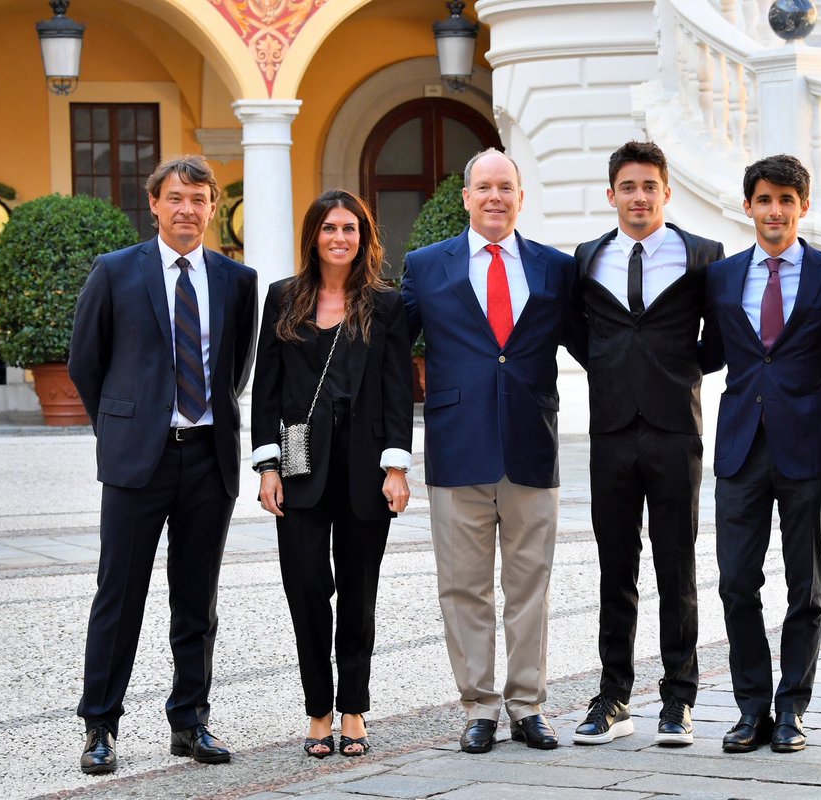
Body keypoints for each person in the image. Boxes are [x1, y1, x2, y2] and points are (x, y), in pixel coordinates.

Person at [69, 155, 258, 774]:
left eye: (199, 199)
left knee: (196, 599)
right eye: (176, 198)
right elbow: (84, 363)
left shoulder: (237, 280)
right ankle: (100, 726)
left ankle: (190, 721)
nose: (187, 209)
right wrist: (124, 426)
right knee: (118, 595)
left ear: (211, 207)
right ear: (154, 203)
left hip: (208, 458)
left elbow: (235, 370)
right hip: (136, 465)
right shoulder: (116, 271)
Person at [400, 148, 584, 754]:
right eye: (484, 187)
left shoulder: (556, 269)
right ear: (467, 197)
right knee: (463, 586)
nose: (495, 197)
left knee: (531, 584)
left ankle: (527, 705)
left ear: (520, 196)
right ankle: (478, 706)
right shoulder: (426, 266)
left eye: (506, 186)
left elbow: (596, 349)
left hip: (532, 445)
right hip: (458, 448)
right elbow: (389, 359)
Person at [251, 190, 413, 758]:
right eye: (329, 228)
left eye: (350, 228)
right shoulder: (282, 298)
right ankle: (317, 709)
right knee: (307, 587)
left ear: (363, 237)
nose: (339, 237)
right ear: (313, 236)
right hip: (299, 463)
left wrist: (397, 466)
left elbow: (398, 391)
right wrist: (266, 465)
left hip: (366, 468)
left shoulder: (386, 306)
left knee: (359, 593)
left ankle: (352, 711)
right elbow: (265, 389)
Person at [571, 141, 723, 747]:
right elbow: (575, 332)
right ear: (612, 195)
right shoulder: (586, 258)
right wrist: (612, 368)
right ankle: (613, 696)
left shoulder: (701, 256)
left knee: (676, 567)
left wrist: (678, 369)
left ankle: (678, 699)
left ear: (666, 192)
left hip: (673, 429)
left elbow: (722, 335)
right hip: (609, 431)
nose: (638, 197)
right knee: (616, 568)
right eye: (627, 187)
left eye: (648, 187)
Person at [700, 154, 821, 754]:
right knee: (736, 582)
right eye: (765, 199)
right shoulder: (722, 277)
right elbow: (703, 350)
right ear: (749, 207)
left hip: (806, 444)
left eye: (787, 200)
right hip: (739, 446)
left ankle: (792, 708)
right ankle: (751, 707)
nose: (775, 211)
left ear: (803, 207)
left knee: (805, 588)